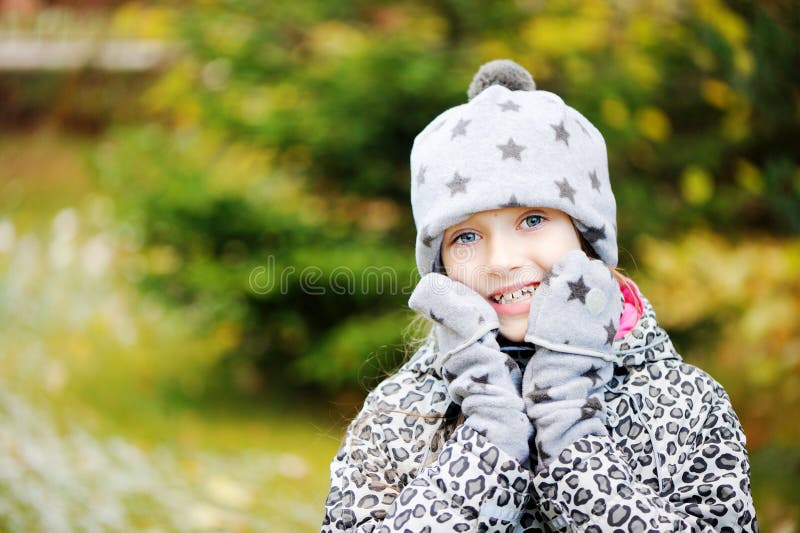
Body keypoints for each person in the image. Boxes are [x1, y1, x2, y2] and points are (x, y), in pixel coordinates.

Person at [321, 60, 756, 532]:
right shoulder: (398, 410)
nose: (502, 260)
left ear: (586, 237)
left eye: (532, 220)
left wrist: (571, 431)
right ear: (442, 265)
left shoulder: (687, 404)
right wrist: (489, 438)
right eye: (466, 236)